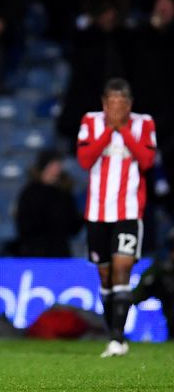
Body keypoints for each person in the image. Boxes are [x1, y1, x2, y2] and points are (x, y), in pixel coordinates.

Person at [76, 78, 156, 357]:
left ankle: (117, 338)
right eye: (111, 103)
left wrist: (123, 129)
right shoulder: (90, 121)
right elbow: (85, 159)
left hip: (129, 212)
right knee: (105, 276)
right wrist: (110, 129)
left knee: (122, 269)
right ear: (103, 103)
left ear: (130, 105)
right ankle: (114, 333)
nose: (116, 108)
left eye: (121, 104)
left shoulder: (144, 123)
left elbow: (146, 162)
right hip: (97, 213)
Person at [14, 149, 83, 258]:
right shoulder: (30, 193)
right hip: (35, 253)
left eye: (58, 164)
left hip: (60, 252)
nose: (57, 168)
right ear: (45, 166)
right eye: (54, 164)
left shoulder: (64, 193)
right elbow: (25, 225)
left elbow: (72, 227)